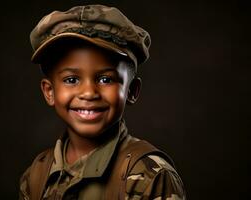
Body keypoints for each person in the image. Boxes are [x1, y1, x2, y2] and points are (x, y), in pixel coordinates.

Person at [19, 4, 186, 200]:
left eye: (106, 79)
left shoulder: (149, 176)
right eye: (71, 80)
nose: (89, 93)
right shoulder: (37, 176)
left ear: (131, 91)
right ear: (50, 91)